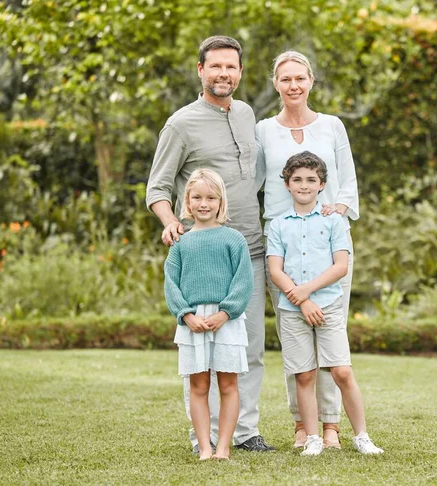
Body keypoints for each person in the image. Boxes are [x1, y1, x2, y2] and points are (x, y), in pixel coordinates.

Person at [146, 36, 275, 453]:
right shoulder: (180, 124)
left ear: (240, 72)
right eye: (215, 66)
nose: (224, 74)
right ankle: (202, 434)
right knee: (202, 354)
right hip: (203, 257)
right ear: (200, 70)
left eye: (231, 67)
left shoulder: (247, 114)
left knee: (247, 347)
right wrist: (170, 222)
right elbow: (158, 188)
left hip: (249, 250)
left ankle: (245, 433)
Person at [256, 50, 360, 448]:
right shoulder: (264, 130)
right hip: (282, 248)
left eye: (300, 78)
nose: (293, 85)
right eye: (286, 79)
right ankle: (303, 425)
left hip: (326, 248)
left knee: (331, 338)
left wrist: (341, 207)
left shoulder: (332, 126)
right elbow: (253, 182)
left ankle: (332, 425)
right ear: (275, 84)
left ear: (311, 81)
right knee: (294, 337)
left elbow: (347, 180)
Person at [266, 151, 383, 456]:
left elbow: (340, 266)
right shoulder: (277, 225)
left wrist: (307, 291)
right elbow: (275, 271)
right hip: (293, 311)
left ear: (321, 185)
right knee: (304, 374)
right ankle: (313, 437)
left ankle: (361, 436)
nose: (304, 185)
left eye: (311, 180)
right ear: (287, 184)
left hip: (328, 305)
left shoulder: (334, 222)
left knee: (341, 371)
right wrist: (301, 300)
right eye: (297, 180)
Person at [166, 169, 252, 460]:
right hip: (192, 321)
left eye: (211, 198)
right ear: (187, 202)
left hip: (226, 320)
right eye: (197, 197)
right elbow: (171, 284)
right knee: (198, 385)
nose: (204, 203)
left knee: (228, 384)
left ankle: (224, 447)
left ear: (220, 202)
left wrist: (225, 313)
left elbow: (243, 281)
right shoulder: (180, 244)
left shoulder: (234, 239)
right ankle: (205, 446)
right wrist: (186, 315)